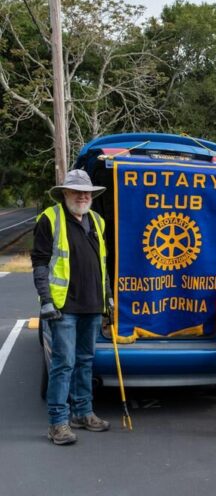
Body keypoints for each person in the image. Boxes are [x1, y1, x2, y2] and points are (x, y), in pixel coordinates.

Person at [31, 169, 113, 445]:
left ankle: (83, 412)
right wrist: (45, 301)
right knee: (63, 363)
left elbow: (103, 265)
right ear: (65, 193)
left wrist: (108, 298)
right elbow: (40, 263)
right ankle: (57, 422)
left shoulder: (98, 222)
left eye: (86, 192)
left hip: (92, 304)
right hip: (62, 307)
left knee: (85, 361)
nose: (82, 196)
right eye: (76, 191)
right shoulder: (50, 219)